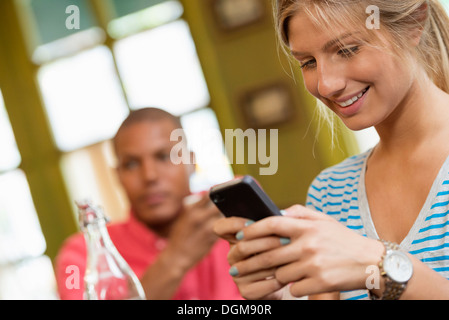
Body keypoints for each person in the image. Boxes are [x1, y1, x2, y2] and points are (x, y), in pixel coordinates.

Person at [214, 0, 449, 300]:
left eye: (348, 50)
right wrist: (280, 294)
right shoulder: (330, 192)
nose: (325, 85)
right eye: (308, 62)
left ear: (415, 23)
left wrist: (380, 265)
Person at [55, 107, 241, 300]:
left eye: (163, 157)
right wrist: (176, 258)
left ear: (191, 162)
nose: (149, 176)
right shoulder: (80, 255)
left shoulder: (231, 213)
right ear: (118, 176)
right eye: (132, 164)